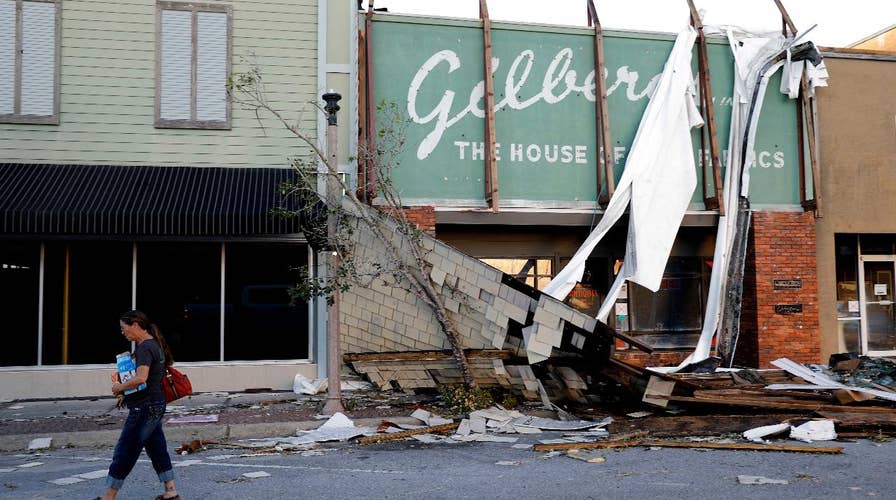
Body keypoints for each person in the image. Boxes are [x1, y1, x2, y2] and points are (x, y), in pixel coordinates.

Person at [98, 310, 179, 500]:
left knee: (126, 450)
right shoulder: (154, 344)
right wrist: (126, 394)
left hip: (144, 407)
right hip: (156, 404)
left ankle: (108, 496)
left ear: (135, 325)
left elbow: (141, 379)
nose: (123, 332)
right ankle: (170, 491)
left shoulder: (144, 347)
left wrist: (119, 387)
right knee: (157, 447)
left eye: (124, 328)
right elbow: (148, 380)